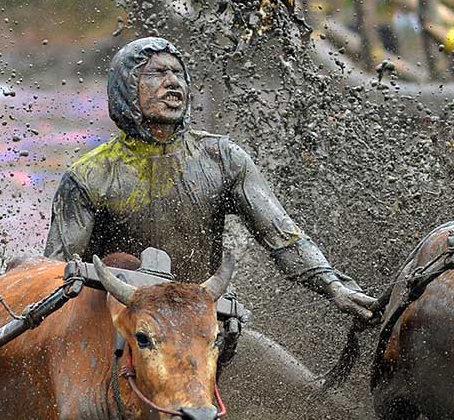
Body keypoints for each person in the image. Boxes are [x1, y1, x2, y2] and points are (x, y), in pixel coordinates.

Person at [44, 37, 375, 321]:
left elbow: (283, 237)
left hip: (204, 325)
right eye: (157, 73)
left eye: (178, 74)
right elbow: (49, 274)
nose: (173, 83)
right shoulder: (88, 176)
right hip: (117, 327)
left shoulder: (224, 158)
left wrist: (334, 286)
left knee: (311, 391)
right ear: (127, 87)